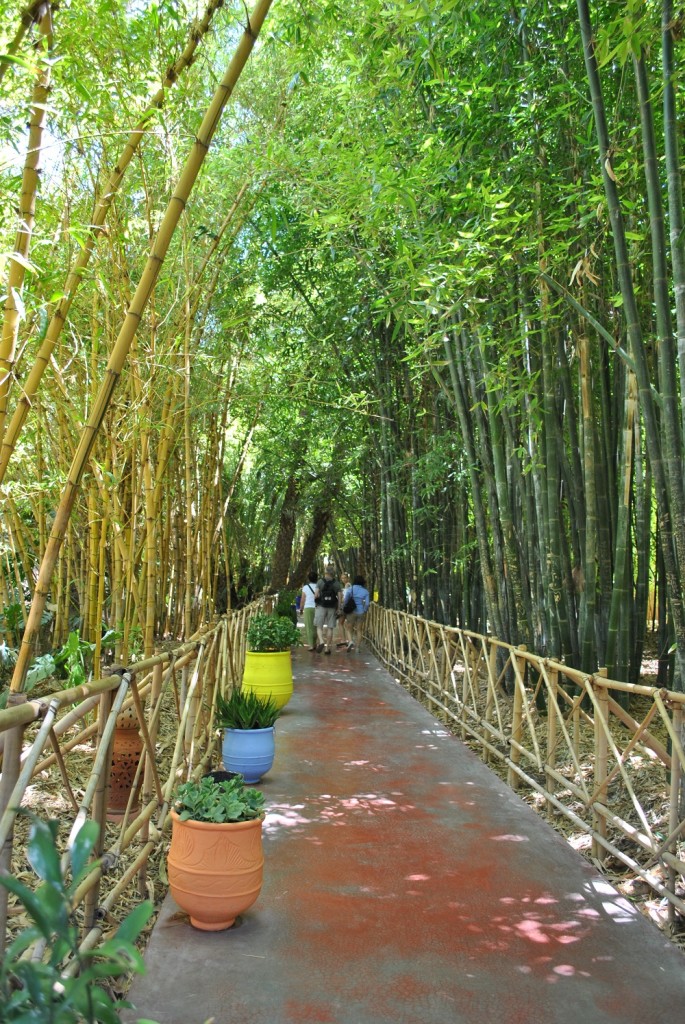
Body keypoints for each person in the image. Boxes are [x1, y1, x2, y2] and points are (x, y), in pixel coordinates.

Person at [314, 565, 342, 655]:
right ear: (333, 573)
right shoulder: (336, 583)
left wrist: (316, 602)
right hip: (332, 607)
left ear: (325, 572)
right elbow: (340, 597)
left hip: (321, 606)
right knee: (330, 627)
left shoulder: (320, 582)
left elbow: (316, 594)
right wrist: (339, 608)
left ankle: (321, 641)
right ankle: (327, 648)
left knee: (319, 626)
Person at [342, 575, 370, 651]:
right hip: (361, 611)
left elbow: (346, 600)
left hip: (351, 611)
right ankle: (357, 647)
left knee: (348, 628)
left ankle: (350, 641)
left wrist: (344, 607)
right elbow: (367, 603)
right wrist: (364, 610)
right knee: (359, 630)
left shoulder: (351, 589)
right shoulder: (365, 591)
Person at [300, 571, 318, 651]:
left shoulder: (305, 587)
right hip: (317, 608)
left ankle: (311, 645)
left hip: (308, 608)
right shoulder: (319, 587)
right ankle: (315, 643)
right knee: (316, 627)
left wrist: (301, 608)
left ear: (308, 579)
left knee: (309, 627)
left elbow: (302, 600)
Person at [336, 572, 352, 648]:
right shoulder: (348, 586)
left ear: (348, 578)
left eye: (345, 578)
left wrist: (341, 598)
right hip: (348, 607)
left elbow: (345, 597)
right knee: (343, 623)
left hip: (345, 607)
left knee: (340, 623)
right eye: (342, 578)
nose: (343, 579)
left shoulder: (347, 585)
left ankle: (344, 640)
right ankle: (348, 640)